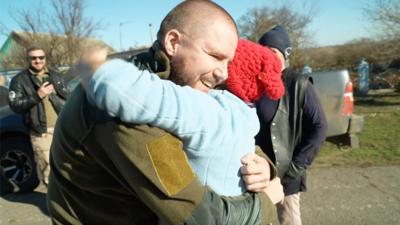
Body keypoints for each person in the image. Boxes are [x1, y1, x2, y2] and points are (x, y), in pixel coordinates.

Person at [47, 1, 283, 225]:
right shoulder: (129, 108)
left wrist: (261, 165)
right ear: (173, 42)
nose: (223, 74)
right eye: (214, 56)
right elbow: (200, 216)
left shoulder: (175, 86)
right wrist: (266, 200)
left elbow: (227, 129)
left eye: (228, 63)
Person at [85, 39, 283, 196]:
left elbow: (128, 91)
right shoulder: (246, 115)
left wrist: (98, 68)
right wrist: (267, 168)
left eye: (220, 59)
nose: (219, 70)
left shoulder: (210, 109)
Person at [255, 25, 328, 225]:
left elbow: (320, 127)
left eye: (272, 51)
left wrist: (296, 167)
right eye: (262, 51)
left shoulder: (299, 84)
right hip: (258, 173)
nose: (266, 56)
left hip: (287, 174)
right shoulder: (257, 83)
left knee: (288, 221)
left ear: (285, 54)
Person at [8, 45, 69, 186]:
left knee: (66, 166)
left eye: (41, 57)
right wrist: (37, 96)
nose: (38, 60)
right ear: (28, 60)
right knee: (48, 169)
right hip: (41, 132)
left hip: (63, 128)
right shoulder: (19, 80)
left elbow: (68, 97)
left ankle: (67, 201)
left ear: (45, 58)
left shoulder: (55, 75)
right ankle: (53, 203)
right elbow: (15, 105)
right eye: (33, 58)